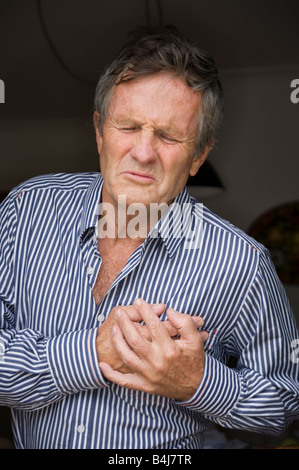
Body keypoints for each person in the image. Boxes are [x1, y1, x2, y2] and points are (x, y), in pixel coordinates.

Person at [0, 25, 298, 450]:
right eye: (128, 127)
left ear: (198, 155)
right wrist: (94, 353)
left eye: (169, 135)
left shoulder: (242, 263)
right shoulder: (26, 210)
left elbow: (285, 407)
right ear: (100, 130)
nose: (143, 152)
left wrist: (200, 383)